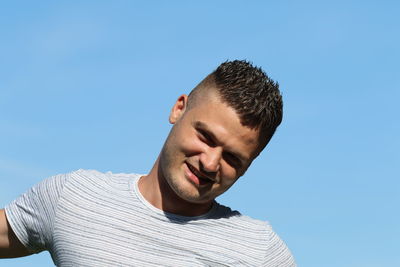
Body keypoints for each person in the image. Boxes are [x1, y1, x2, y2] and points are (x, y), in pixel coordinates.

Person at [0, 60, 296, 266]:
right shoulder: (72, 197)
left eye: (232, 158)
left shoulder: (259, 250)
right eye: (205, 137)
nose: (209, 162)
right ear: (179, 109)